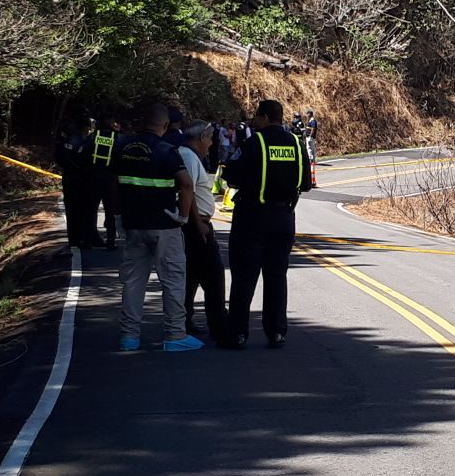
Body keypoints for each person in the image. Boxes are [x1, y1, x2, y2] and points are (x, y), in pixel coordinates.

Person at [111, 102, 203, 352]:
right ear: (164, 125)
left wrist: (118, 216)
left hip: (132, 224)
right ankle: (175, 335)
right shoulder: (167, 150)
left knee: (133, 281)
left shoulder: (122, 147)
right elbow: (186, 185)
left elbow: (114, 184)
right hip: (164, 225)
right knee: (172, 279)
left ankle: (129, 336)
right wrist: (183, 216)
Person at [223, 99, 312, 348]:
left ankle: (238, 333)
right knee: (276, 276)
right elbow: (305, 183)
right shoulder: (296, 144)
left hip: (252, 217)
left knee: (245, 276)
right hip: (284, 218)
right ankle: (276, 332)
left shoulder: (254, 143)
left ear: (263, 117)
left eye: (256, 116)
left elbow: (231, 176)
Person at [178, 121, 227, 339]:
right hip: (196, 225)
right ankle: (219, 325)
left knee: (193, 275)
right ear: (200, 137)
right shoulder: (188, 157)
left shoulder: (189, 156)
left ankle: (185, 317)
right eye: (209, 138)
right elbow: (187, 191)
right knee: (214, 275)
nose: (211, 143)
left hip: (196, 223)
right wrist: (197, 222)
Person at [55, 118, 92, 249]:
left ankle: (73, 240)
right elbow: (89, 161)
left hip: (68, 178)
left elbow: (58, 159)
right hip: (83, 179)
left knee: (71, 210)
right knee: (84, 210)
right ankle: (84, 239)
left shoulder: (63, 142)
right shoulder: (85, 142)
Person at [85, 113, 120, 250]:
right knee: (110, 210)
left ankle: (88, 240)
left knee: (91, 209)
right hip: (111, 178)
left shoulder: (92, 137)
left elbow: (84, 154)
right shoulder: (117, 138)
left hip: (93, 177)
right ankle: (111, 241)